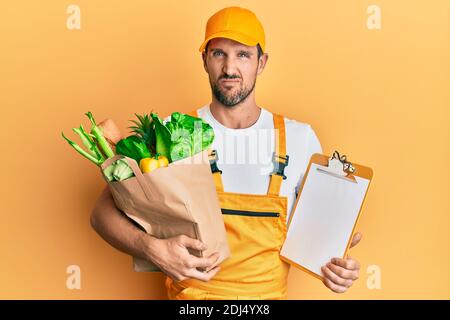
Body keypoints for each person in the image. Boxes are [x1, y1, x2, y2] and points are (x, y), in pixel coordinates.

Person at [90, 6, 362, 299]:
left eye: (243, 54)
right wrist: (151, 248)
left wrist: (337, 266)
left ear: (261, 62)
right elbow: (101, 214)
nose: (230, 68)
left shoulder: (300, 139)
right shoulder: (172, 132)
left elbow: (320, 239)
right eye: (219, 53)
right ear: (204, 60)